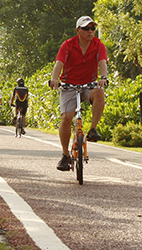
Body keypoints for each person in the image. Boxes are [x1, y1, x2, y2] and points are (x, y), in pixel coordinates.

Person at [49, 16, 108, 171]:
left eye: (92, 28)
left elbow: (102, 62)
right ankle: (65, 155)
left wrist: (103, 77)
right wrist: (54, 79)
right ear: (78, 31)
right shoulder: (68, 45)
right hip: (69, 85)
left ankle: (93, 129)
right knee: (67, 118)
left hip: (89, 84)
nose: (90, 31)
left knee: (99, 93)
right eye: (86, 28)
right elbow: (59, 63)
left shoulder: (98, 45)